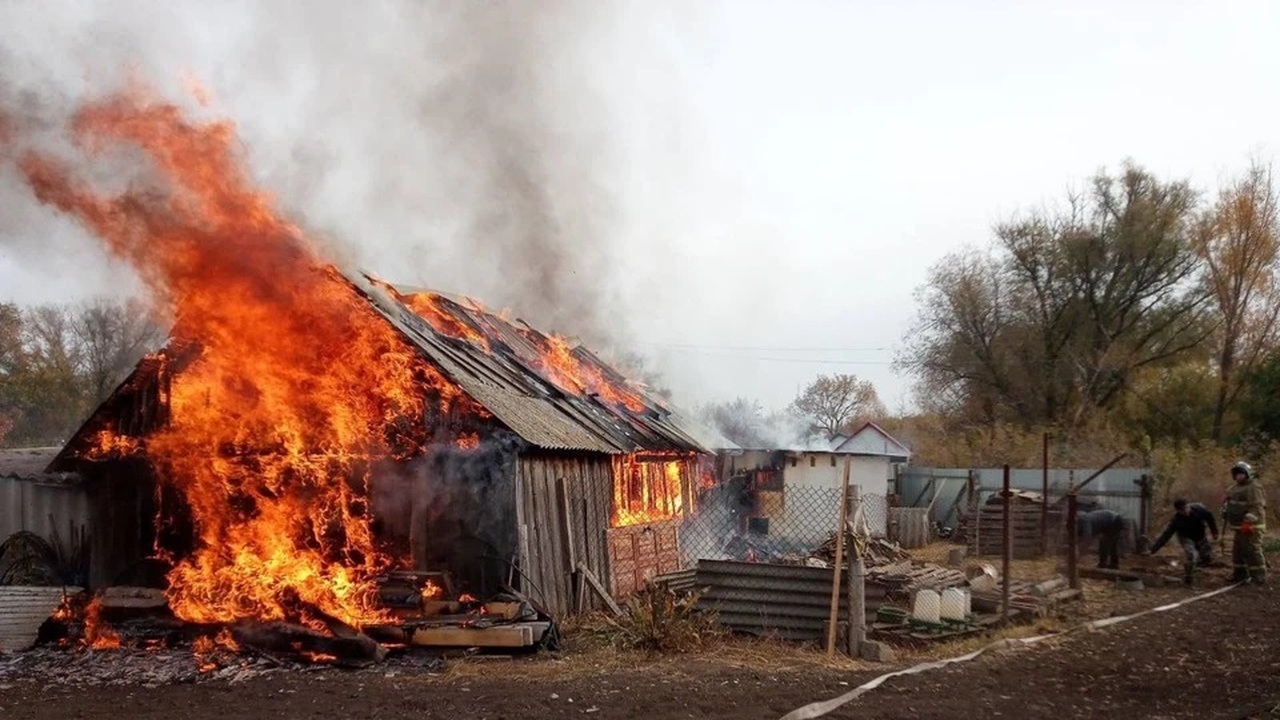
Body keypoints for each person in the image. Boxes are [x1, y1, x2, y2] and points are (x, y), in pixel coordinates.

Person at [1148, 498, 1219, 585]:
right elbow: (1166, 536)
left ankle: (1201, 564)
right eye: (1182, 510)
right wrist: (1153, 550)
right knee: (1192, 555)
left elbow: (1210, 518)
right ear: (1178, 511)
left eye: (1186, 508)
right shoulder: (1176, 521)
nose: (1186, 511)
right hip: (1186, 538)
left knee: (1206, 556)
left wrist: (1214, 532)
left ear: (1188, 506)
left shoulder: (1199, 509)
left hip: (1200, 535)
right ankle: (1189, 575)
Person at [1221, 461, 1268, 585]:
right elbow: (1229, 503)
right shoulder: (1233, 488)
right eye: (1236, 474)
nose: (1239, 476)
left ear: (1247, 474)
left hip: (1252, 526)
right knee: (1238, 550)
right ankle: (1240, 574)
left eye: (1241, 473)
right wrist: (1225, 509)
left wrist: (1248, 522)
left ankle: (1259, 575)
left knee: (1252, 549)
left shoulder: (1254, 487)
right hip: (1238, 526)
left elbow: (1256, 507)